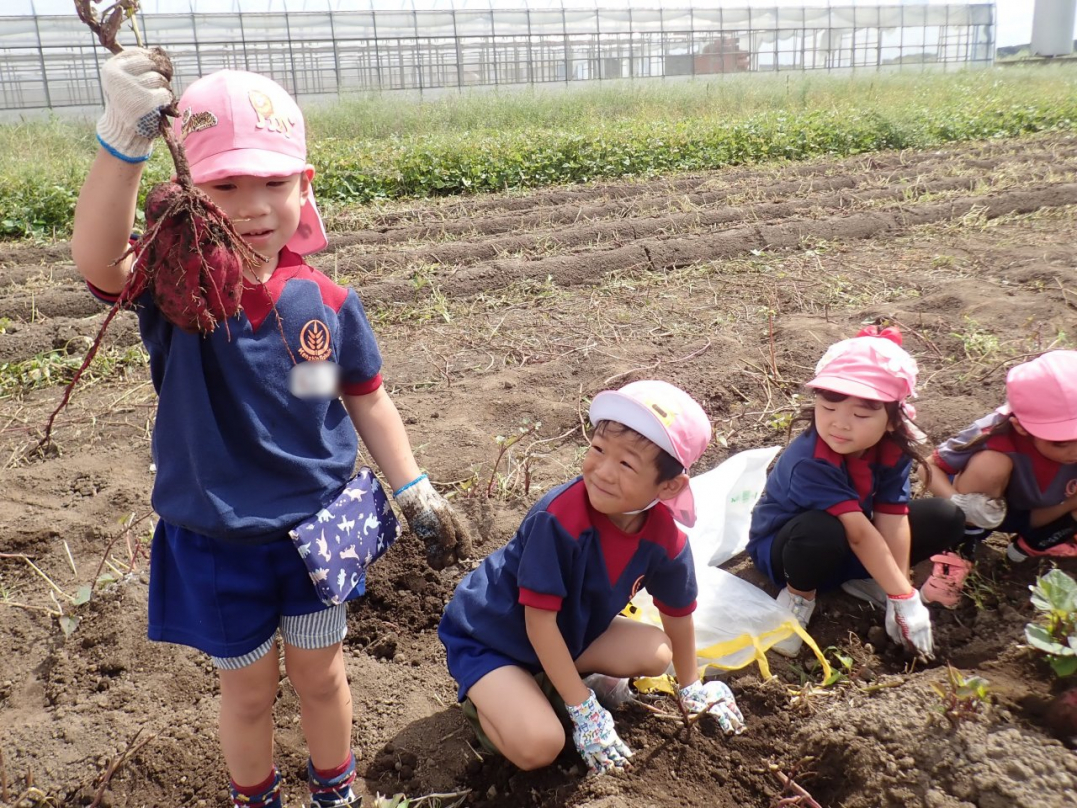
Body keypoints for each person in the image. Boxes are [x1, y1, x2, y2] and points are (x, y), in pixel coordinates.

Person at [71, 51, 472, 808]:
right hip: (221, 542)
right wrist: (121, 141)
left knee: (323, 677)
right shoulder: (175, 288)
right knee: (249, 694)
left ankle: (336, 792)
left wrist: (412, 485)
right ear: (187, 193)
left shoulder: (321, 299)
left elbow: (351, 396)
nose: (254, 204)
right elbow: (99, 263)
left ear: (304, 186)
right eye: (225, 185)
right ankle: (254, 797)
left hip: (316, 535)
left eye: (273, 182)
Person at [437, 380, 745, 775]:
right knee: (540, 745)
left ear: (669, 486)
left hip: (567, 630)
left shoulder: (664, 538)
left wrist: (691, 688)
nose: (602, 471)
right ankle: (494, 707)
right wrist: (581, 708)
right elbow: (538, 620)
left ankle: (552, 683)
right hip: (493, 635)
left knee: (658, 653)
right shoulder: (560, 520)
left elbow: (678, 613)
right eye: (598, 449)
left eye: (626, 464)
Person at [746, 327, 965, 659]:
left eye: (861, 414)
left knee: (945, 517)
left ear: (892, 421)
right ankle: (798, 597)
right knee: (821, 530)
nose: (840, 424)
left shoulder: (892, 448)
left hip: (852, 539)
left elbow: (893, 516)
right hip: (792, 550)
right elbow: (860, 534)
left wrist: (898, 589)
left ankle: (864, 578)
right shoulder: (809, 461)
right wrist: (906, 598)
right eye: (828, 409)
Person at [921, 350, 1077, 605]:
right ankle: (960, 550)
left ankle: (1038, 542)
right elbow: (927, 468)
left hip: (1050, 510)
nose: (1074, 452)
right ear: (1021, 426)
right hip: (988, 510)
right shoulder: (995, 430)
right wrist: (959, 506)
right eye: (1060, 443)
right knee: (989, 463)